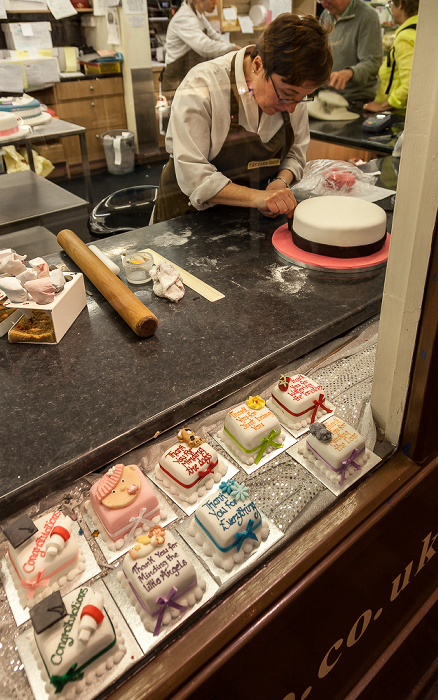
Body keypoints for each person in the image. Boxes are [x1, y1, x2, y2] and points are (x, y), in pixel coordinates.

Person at [153, 13, 333, 224]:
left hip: (247, 222)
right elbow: (195, 176)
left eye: (303, 98)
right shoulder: (202, 85)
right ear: (258, 65)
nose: (292, 108)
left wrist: (280, 182)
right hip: (186, 222)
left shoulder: (292, 89)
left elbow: (295, 152)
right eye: (287, 95)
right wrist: (259, 197)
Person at [160, 0, 240, 94]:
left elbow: (215, 37)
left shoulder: (199, 16)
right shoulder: (185, 17)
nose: (216, 3)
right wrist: (232, 48)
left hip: (188, 77)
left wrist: (235, 49)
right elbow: (204, 46)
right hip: (175, 80)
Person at [319, 0, 383, 105]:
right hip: (328, 96)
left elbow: (373, 62)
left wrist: (350, 73)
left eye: (328, 0)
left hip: (356, 100)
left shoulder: (368, 17)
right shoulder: (326, 14)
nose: (324, 4)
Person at [364, 0, 419, 113]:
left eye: (393, 5)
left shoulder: (405, 38)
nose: (392, 10)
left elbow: (410, 84)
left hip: (397, 114)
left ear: (401, 5)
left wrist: (384, 106)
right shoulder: (419, 30)